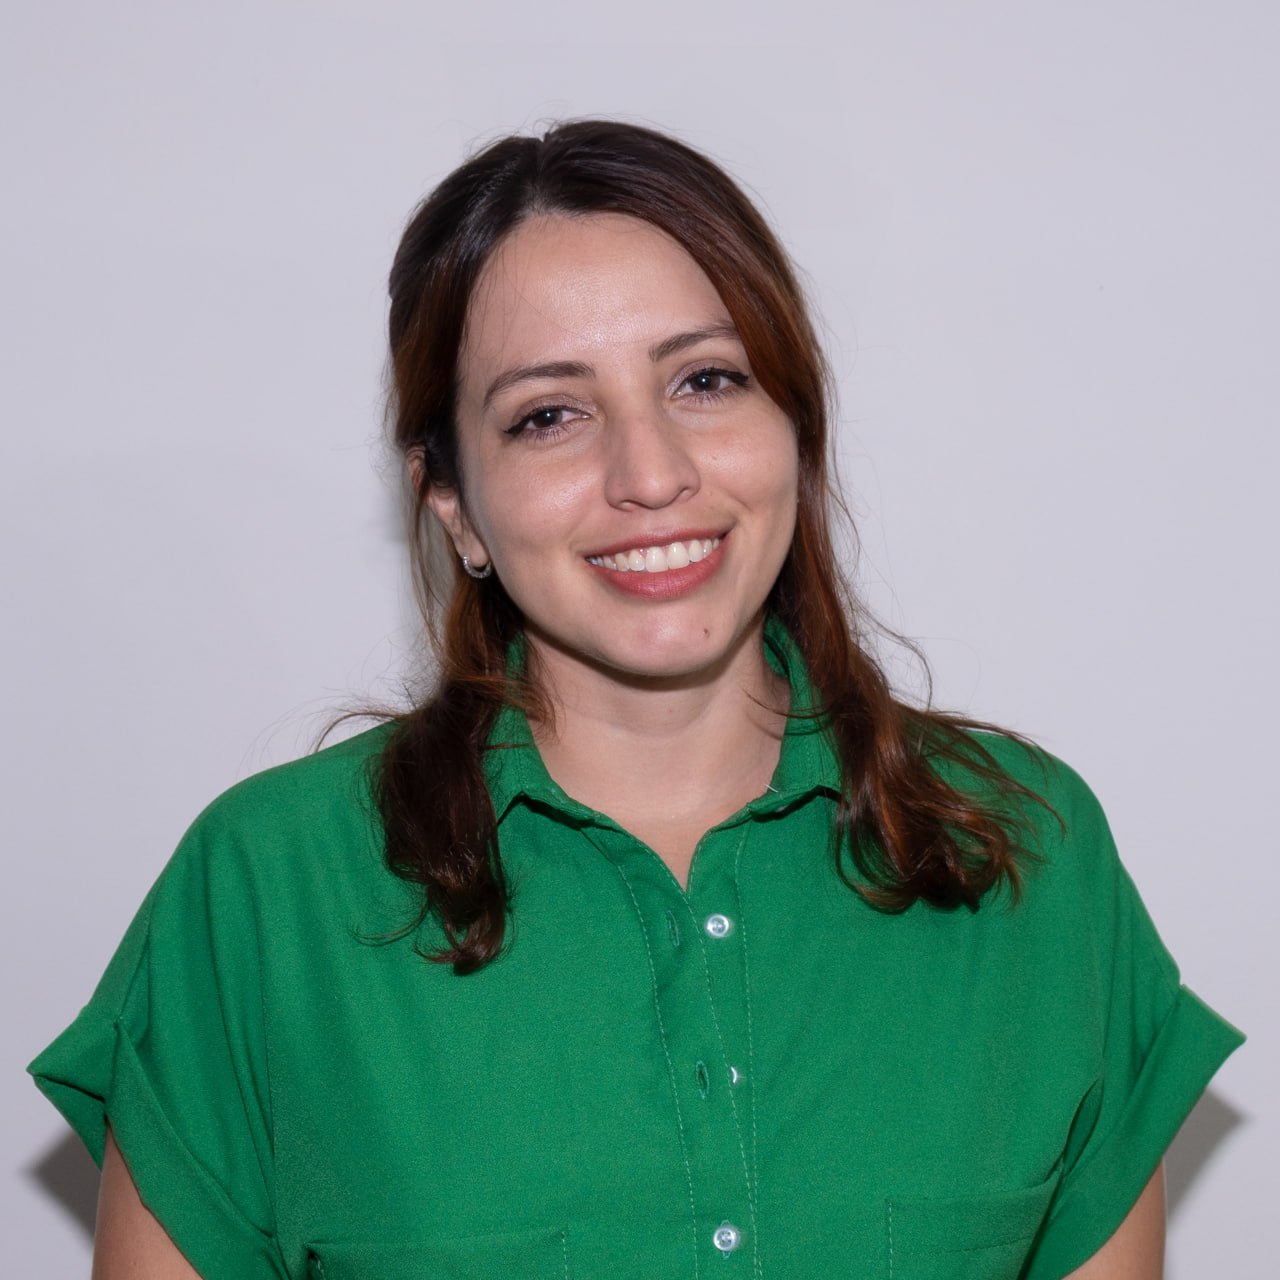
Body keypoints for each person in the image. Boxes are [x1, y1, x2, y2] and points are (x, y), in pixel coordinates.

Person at [31, 120, 1242, 1279]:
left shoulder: (1027, 856)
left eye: (705, 379)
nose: (650, 473)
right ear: (453, 504)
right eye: (548, 414)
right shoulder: (263, 895)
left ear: (795, 426)